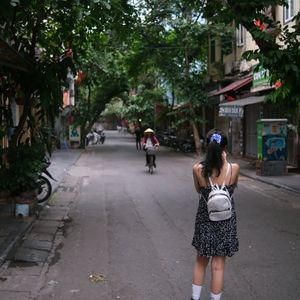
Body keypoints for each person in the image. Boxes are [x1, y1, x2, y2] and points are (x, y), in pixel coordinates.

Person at [191, 129, 240, 300]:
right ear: (224, 148)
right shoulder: (233, 168)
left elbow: (199, 190)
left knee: (200, 261)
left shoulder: (198, 169)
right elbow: (233, 187)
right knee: (218, 266)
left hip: (205, 218)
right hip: (226, 220)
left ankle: (194, 298)